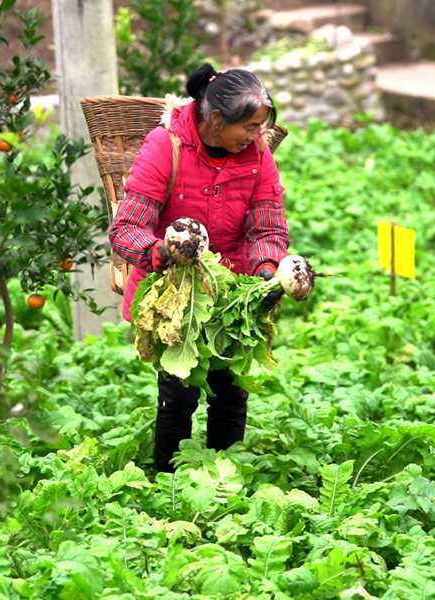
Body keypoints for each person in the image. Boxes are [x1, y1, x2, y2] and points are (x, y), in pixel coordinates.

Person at [109, 63, 290, 473]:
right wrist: (161, 253)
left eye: (261, 126)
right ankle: (168, 482)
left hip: (230, 289)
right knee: (179, 391)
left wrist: (266, 269)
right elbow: (127, 227)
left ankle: (225, 480)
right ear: (214, 120)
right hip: (173, 288)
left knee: (230, 392)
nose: (257, 136)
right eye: (249, 127)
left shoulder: (258, 156)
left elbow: (268, 224)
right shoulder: (166, 146)